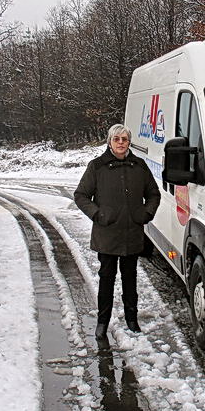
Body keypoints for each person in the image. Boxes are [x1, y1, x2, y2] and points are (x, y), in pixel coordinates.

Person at [74, 124, 161, 339]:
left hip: (132, 234)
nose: (121, 142)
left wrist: (145, 214)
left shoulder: (139, 166)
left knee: (130, 279)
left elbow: (154, 194)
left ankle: (132, 320)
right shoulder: (97, 167)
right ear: (109, 141)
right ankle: (102, 322)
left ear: (129, 142)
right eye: (117, 139)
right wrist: (98, 214)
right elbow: (81, 195)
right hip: (107, 236)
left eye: (124, 139)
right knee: (106, 279)